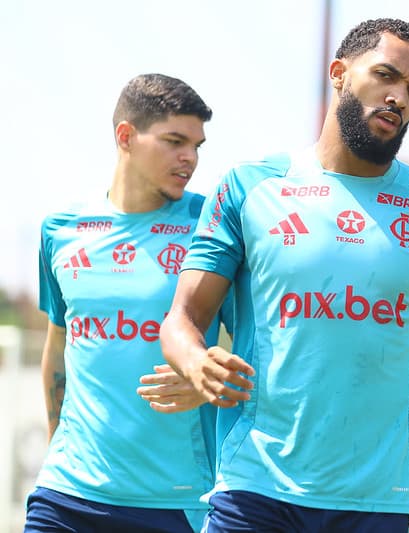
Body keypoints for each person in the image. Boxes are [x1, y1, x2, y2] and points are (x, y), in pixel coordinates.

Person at [159, 17, 409, 533]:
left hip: (377, 499)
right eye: (385, 77)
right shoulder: (250, 187)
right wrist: (195, 362)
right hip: (254, 488)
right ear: (339, 73)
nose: (399, 97)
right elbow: (183, 318)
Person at [25, 73, 230, 533]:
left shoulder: (213, 225)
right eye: (175, 141)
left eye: (197, 145)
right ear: (125, 137)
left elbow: (256, 339)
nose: (190, 158)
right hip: (66, 493)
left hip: (177, 500)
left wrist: (209, 378)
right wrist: (59, 449)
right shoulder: (60, 230)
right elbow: (59, 345)